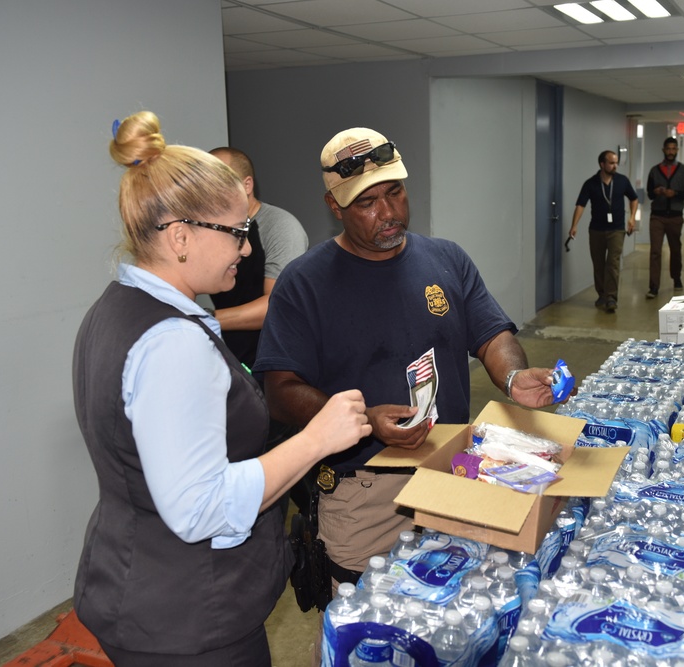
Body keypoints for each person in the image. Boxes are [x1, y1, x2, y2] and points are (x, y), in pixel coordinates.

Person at [72, 111, 370, 667]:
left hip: (131, 585)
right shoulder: (171, 343)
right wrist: (316, 440)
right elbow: (199, 507)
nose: (244, 248)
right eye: (236, 232)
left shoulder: (114, 310)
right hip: (187, 622)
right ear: (181, 236)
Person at [255, 127, 563, 590]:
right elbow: (279, 390)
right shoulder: (304, 282)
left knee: (455, 609)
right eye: (367, 203)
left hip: (455, 468)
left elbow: (490, 333)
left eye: (395, 192)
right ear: (334, 206)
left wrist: (513, 375)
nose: (389, 212)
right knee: (369, 631)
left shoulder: (446, 259)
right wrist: (362, 419)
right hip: (365, 489)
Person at [207, 147, 309, 369]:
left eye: (218, 181)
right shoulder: (215, 229)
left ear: (247, 185)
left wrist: (203, 318)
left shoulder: (280, 227)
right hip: (231, 357)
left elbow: (277, 307)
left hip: (271, 363)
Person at [568, 150, 638, 313]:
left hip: (617, 230)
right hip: (596, 230)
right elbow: (580, 205)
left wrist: (632, 217)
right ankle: (602, 294)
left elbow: (633, 198)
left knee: (613, 263)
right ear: (602, 164)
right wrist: (574, 225)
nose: (615, 166)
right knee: (598, 264)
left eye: (616, 163)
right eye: (612, 163)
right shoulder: (591, 183)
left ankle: (611, 298)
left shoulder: (622, 181)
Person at [645, 137, 684, 299]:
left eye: (674, 149)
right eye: (668, 149)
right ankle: (653, 286)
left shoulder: (683, 170)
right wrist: (657, 192)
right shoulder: (654, 170)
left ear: (677, 150)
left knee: (675, 249)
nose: (671, 152)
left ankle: (676, 277)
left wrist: (676, 194)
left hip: (675, 217)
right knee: (655, 251)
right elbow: (649, 193)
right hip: (657, 216)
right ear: (663, 150)